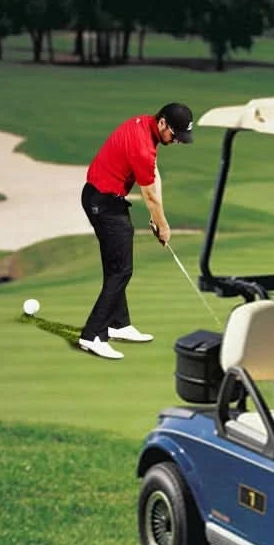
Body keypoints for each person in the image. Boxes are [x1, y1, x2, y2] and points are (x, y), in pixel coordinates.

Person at [78, 102, 194, 360]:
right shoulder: (143, 145)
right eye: (175, 135)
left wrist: (158, 219)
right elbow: (149, 195)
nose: (176, 141)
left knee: (116, 265)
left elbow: (153, 175)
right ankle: (92, 335)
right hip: (103, 203)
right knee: (121, 270)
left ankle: (119, 324)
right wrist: (163, 227)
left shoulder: (145, 127)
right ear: (162, 123)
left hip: (104, 199)